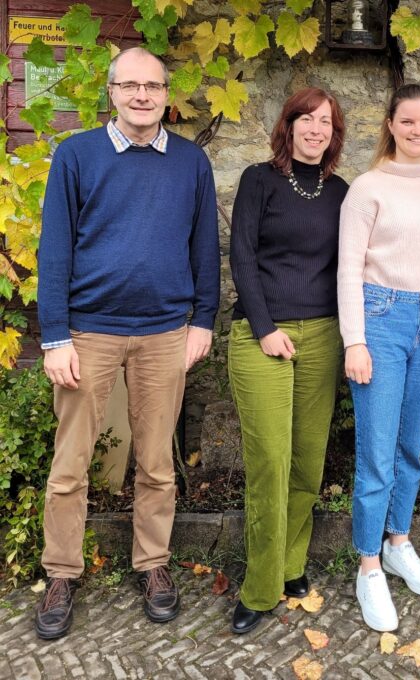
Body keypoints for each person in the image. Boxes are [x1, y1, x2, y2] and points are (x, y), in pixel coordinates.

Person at [34, 47, 220, 640]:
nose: (143, 96)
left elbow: (204, 248)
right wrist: (55, 335)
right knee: (71, 465)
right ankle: (61, 572)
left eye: (154, 86)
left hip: (166, 332)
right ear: (111, 92)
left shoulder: (190, 162)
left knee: (157, 462)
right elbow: (55, 249)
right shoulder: (78, 154)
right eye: (130, 85)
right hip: (88, 332)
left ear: (167, 94)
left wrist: (203, 321)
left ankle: (154, 565)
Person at [338, 84, 420, 632]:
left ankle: (398, 543)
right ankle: (367, 566)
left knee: (412, 447)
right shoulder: (367, 188)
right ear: (390, 124)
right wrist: (354, 340)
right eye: (407, 122)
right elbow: (347, 269)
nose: (418, 131)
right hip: (380, 318)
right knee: (377, 453)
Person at [227, 88, 348, 635]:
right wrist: (265, 328)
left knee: (307, 460)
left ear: (334, 132)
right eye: (306, 118)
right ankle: (259, 586)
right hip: (262, 335)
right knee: (270, 462)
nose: (315, 128)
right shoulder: (259, 180)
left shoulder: (343, 191)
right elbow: (241, 258)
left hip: (324, 335)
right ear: (289, 125)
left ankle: (292, 564)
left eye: (325, 121)